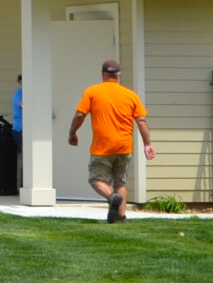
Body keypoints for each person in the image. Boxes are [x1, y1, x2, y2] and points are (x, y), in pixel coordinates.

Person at [66, 58, 154, 221]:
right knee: (120, 183)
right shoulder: (130, 95)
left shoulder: (92, 92)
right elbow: (141, 120)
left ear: (102, 74)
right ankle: (120, 216)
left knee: (96, 179)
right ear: (119, 75)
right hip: (124, 147)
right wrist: (147, 144)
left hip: (102, 147)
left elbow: (80, 114)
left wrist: (73, 133)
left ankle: (111, 197)